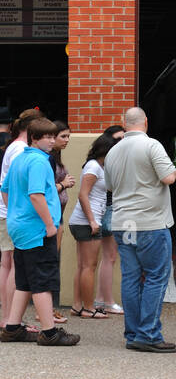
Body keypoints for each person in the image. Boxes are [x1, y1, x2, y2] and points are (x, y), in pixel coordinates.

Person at [0, 116, 80, 346]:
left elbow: (5, 190)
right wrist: (48, 224)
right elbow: (36, 194)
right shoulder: (39, 162)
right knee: (42, 279)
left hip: (20, 226)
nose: (52, 141)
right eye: (47, 137)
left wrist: (17, 210)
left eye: (53, 136)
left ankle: (13, 327)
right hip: (37, 229)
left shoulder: (19, 159)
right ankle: (49, 332)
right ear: (34, 138)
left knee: (24, 279)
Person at [104, 107, 176, 353]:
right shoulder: (152, 145)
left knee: (131, 278)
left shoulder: (113, 151)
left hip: (123, 222)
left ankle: (133, 333)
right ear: (146, 121)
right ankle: (149, 334)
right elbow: (169, 178)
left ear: (123, 124)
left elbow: (110, 186)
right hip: (150, 222)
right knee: (156, 277)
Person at [0, 108, 41, 328]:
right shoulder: (21, 150)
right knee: (14, 265)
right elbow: (15, 186)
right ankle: (10, 318)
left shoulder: (14, 146)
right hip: (12, 214)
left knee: (7, 264)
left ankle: (8, 317)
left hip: (7, 213)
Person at [68, 134, 116, 319]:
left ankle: (77, 306)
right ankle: (89, 308)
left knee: (82, 266)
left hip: (83, 221)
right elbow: (83, 195)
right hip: (88, 222)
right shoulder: (94, 166)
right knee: (89, 266)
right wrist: (93, 221)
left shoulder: (98, 167)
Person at [94, 124, 124, 313]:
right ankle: (106, 301)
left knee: (108, 257)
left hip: (110, 208)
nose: (121, 142)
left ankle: (100, 299)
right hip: (108, 209)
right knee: (109, 257)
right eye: (117, 139)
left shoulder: (108, 161)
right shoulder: (105, 162)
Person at [48, 119, 75, 323]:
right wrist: (63, 184)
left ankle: (47, 310)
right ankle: (46, 311)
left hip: (58, 216)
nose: (67, 140)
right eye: (63, 136)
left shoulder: (55, 157)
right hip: (51, 218)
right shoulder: (47, 159)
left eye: (68, 136)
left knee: (52, 261)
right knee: (49, 263)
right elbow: (44, 191)